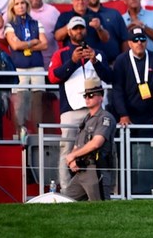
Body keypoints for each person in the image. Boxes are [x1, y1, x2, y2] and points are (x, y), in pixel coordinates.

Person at [48, 16, 113, 192]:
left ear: (86, 31)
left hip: (96, 109)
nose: (78, 32)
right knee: (67, 149)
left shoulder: (97, 53)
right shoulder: (61, 54)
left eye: (81, 28)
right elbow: (53, 77)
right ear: (69, 32)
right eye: (75, 29)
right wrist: (73, 61)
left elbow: (109, 77)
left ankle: (99, 187)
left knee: (98, 148)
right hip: (71, 109)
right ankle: (66, 190)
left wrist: (95, 61)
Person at [110, 27, 153, 195]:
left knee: (146, 153)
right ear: (129, 43)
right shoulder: (121, 61)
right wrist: (123, 114)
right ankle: (126, 190)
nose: (139, 43)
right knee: (126, 153)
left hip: (149, 115)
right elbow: (117, 90)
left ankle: (144, 191)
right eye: (135, 40)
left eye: (142, 39)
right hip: (127, 116)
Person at [62, 78, 117, 201]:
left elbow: (96, 143)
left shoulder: (104, 118)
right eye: (85, 96)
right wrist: (72, 160)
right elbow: (77, 145)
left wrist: (72, 156)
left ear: (101, 97)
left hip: (96, 169)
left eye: (91, 95)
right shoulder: (86, 119)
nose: (87, 98)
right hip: (81, 169)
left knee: (99, 207)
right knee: (65, 201)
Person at [3, 0, 48, 141]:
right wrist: (32, 42)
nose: (20, 6)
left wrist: (27, 46)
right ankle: (19, 133)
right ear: (12, 8)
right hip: (19, 67)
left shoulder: (36, 23)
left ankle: (37, 134)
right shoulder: (10, 25)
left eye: (22, 3)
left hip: (36, 66)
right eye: (17, 4)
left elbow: (45, 44)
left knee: (37, 100)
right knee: (20, 101)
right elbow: (15, 45)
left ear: (27, 5)